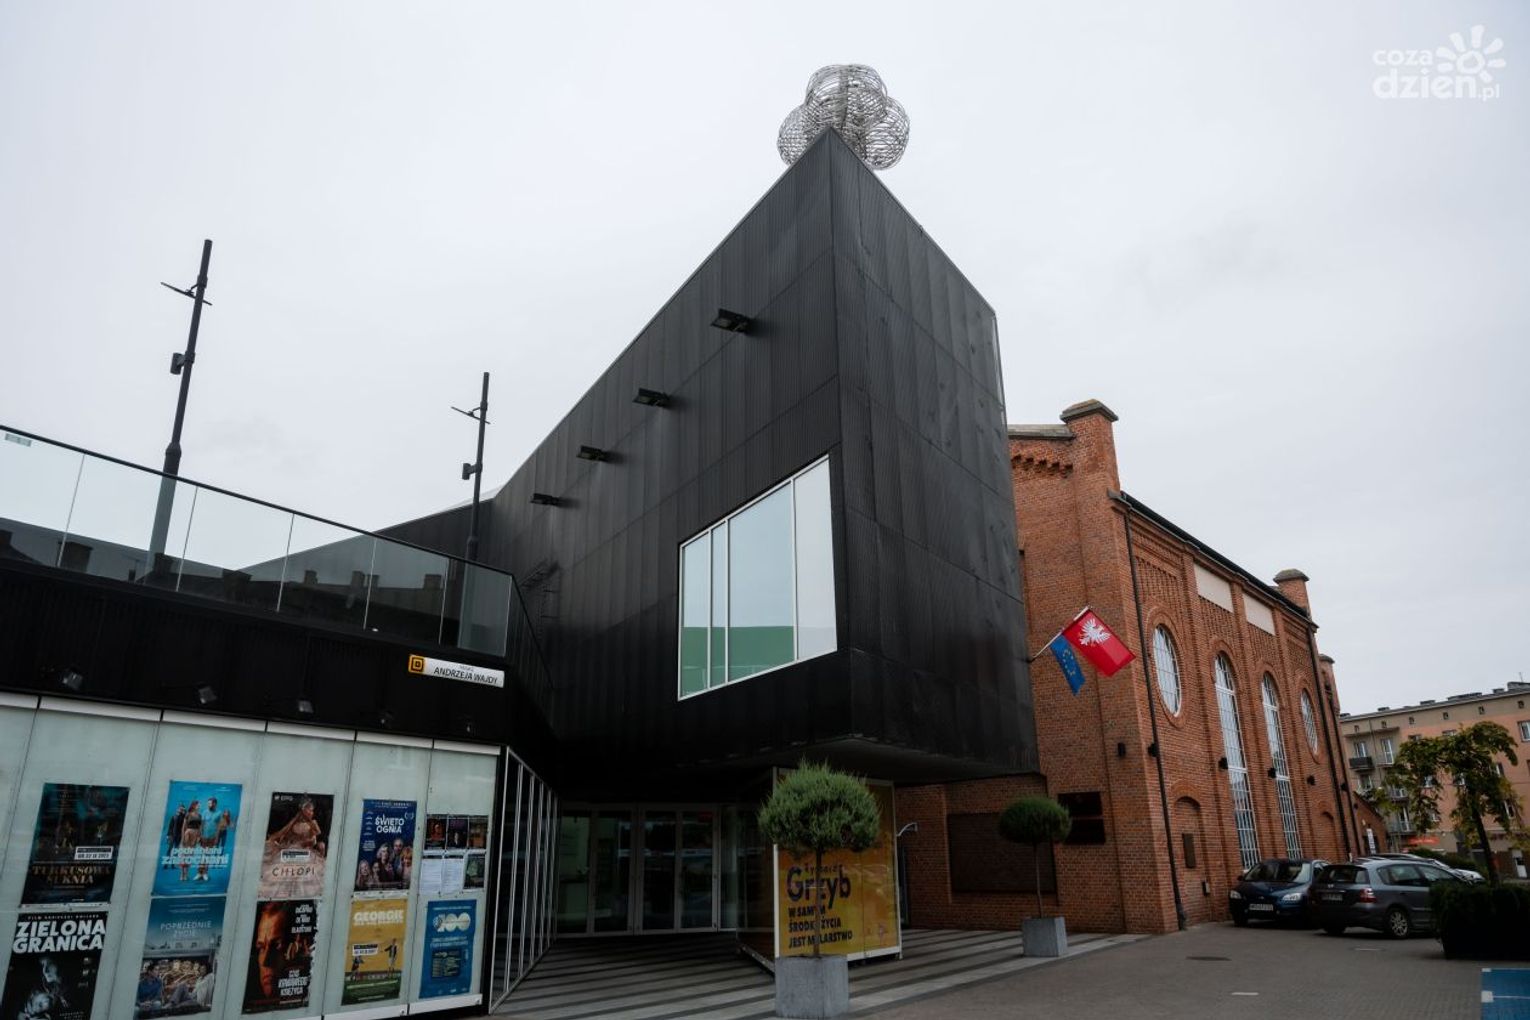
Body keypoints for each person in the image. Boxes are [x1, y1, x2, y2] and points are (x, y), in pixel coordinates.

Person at [179, 799, 203, 881]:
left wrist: (199, 836)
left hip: (195, 835)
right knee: (184, 854)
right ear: (194, 806)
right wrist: (182, 837)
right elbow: (183, 827)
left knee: (190, 855)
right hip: (188, 833)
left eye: (199, 805)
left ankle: (186, 874)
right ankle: (182, 874)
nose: (199, 806)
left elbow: (200, 827)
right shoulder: (188, 814)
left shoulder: (199, 815)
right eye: (198, 805)